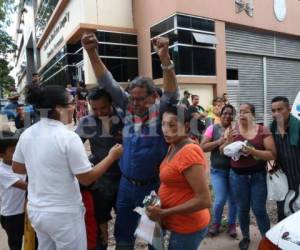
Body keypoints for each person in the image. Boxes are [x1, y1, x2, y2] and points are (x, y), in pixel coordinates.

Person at [81, 32, 178, 249]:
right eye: (132, 97)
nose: (134, 102)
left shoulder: (162, 113)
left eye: (140, 98)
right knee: (123, 235)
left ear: (153, 97)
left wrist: (165, 59)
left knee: (154, 236)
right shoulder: (126, 108)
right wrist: (91, 52)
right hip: (126, 185)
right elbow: (107, 82)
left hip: (153, 187)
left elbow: (172, 93)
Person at [12, 84, 123, 250]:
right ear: (59, 108)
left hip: (37, 211)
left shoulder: (28, 134)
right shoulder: (68, 137)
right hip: (63, 214)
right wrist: (111, 157)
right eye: (71, 103)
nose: (74, 108)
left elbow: (18, 168)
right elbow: (86, 179)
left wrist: (43, 165)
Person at [147, 105, 211, 250]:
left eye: (172, 125)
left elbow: (204, 200)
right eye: (163, 124)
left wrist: (164, 212)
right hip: (175, 221)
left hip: (189, 225)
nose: (165, 129)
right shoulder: (174, 145)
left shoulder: (189, 152)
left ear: (186, 126)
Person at [223, 103, 276, 250]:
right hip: (238, 176)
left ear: (253, 115)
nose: (241, 115)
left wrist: (253, 151)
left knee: (259, 209)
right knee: (243, 208)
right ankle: (246, 237)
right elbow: (223, 151)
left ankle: (267, 239)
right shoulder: (232, 130)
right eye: (239, 112)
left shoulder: (262, 130)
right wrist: (227, 141)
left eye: (245, 112)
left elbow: (272, 154)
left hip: (258, 176)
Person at [75, 88, 123, 250]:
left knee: (124, 225)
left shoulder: (125, 118)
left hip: (124, 181)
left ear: (111, 103)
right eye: (94, 109)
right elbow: (73, 146)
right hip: (99, 182)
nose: (99, 112)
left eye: (103, 108)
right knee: (99, 228)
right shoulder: (86, 122)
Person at [201, 104, 237, 238]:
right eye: (225, 113)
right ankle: (216, 223)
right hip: (218, 171)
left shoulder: (237, 129)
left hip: (234, 172)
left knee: (233, 200)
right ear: (220, 115)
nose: (227, 116)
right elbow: (202, 147)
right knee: (220, 199)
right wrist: (220, 141)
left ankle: (232, 225)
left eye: (230, 113)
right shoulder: (213, 128)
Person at [270, 96, 300, 222]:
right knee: (282, 212)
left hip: (298, 179)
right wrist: (273, 174)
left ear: (289, 109)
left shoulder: (298, 127)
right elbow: (269, 154)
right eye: (273, 110)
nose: (276, 113)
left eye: (280, 109)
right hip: (282, 181)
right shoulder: (271, 129)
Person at [0, 131, 27, 250]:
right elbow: (25, 186)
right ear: (1, 155)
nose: (17, 153)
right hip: (11, 216)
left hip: (25, 212)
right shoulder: (2, 171)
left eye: (18, 149)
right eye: (12, 150)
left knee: (32, 241)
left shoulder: (21, 163)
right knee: (15, 245)